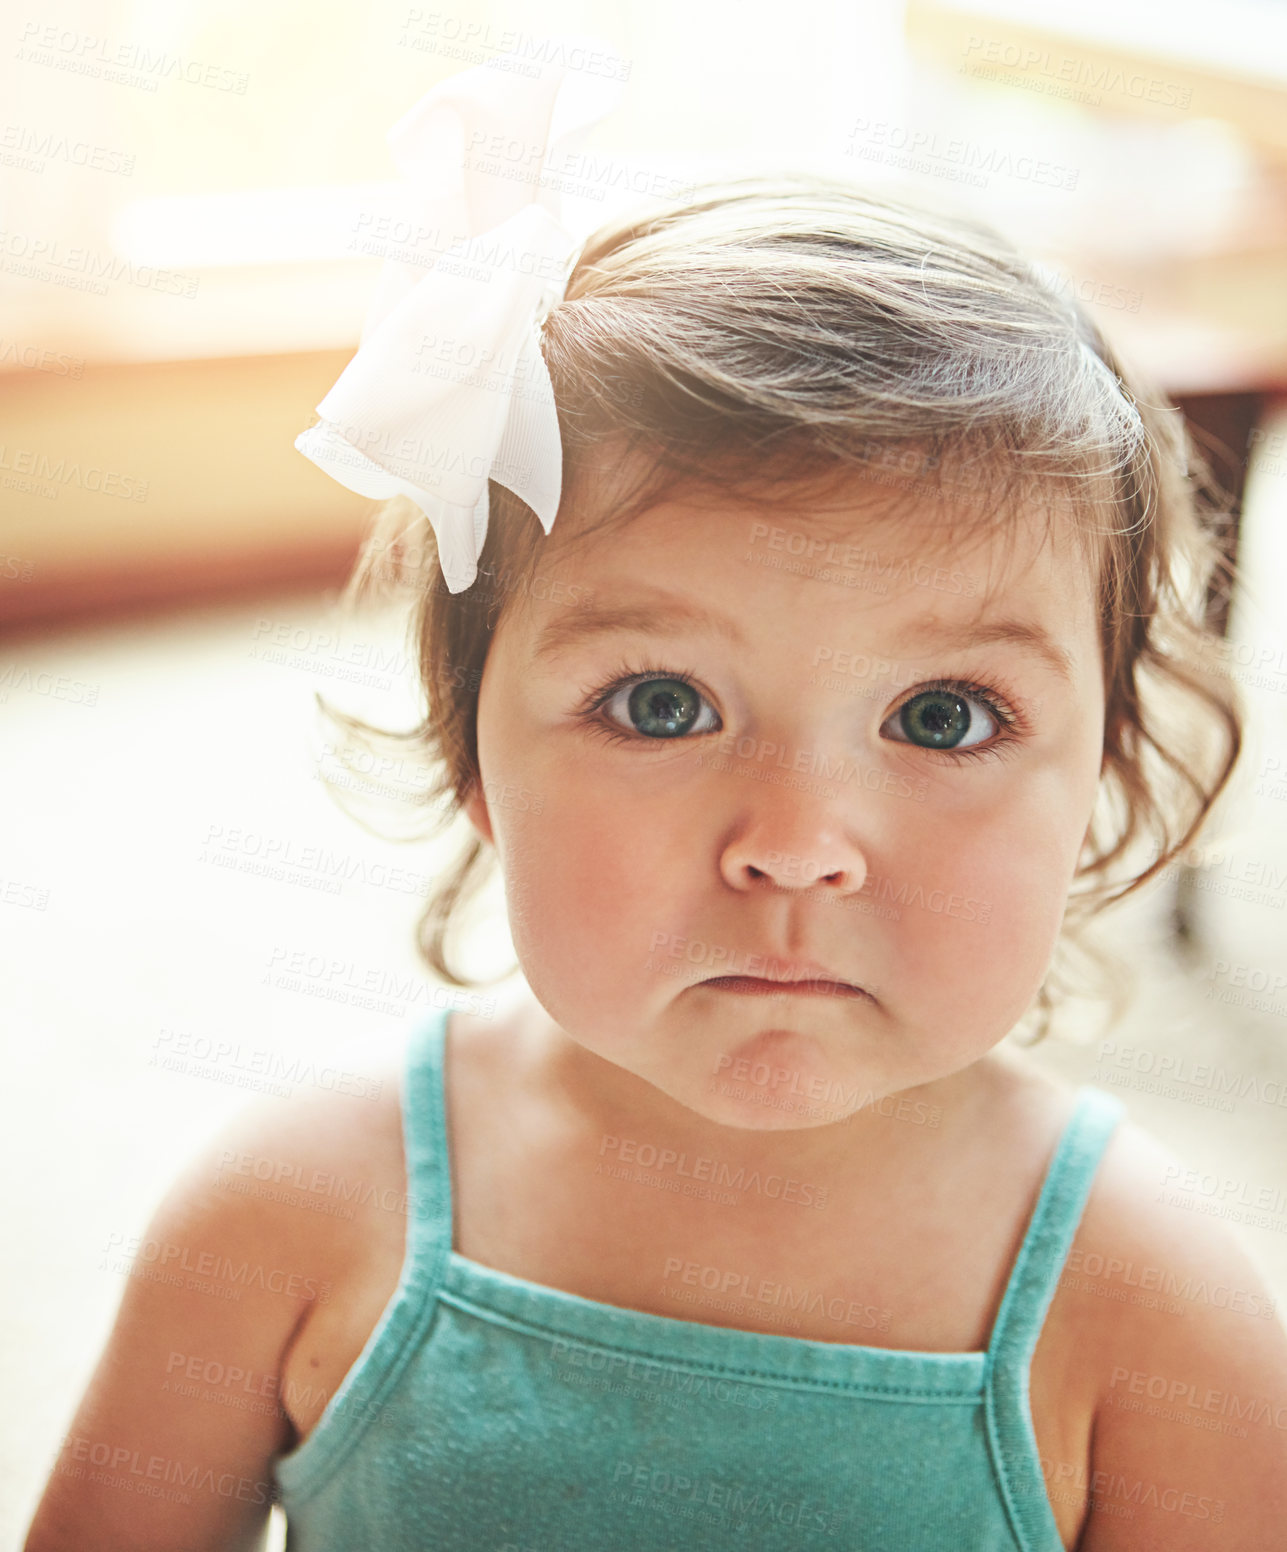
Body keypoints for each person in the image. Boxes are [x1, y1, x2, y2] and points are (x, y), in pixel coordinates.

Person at [24, 114, 1287, 1552]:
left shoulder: (1155, 1317)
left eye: (943, 717)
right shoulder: (292, 1216)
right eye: (662, 702)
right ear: (473, 756)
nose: (798, 844)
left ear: (1105, 782)